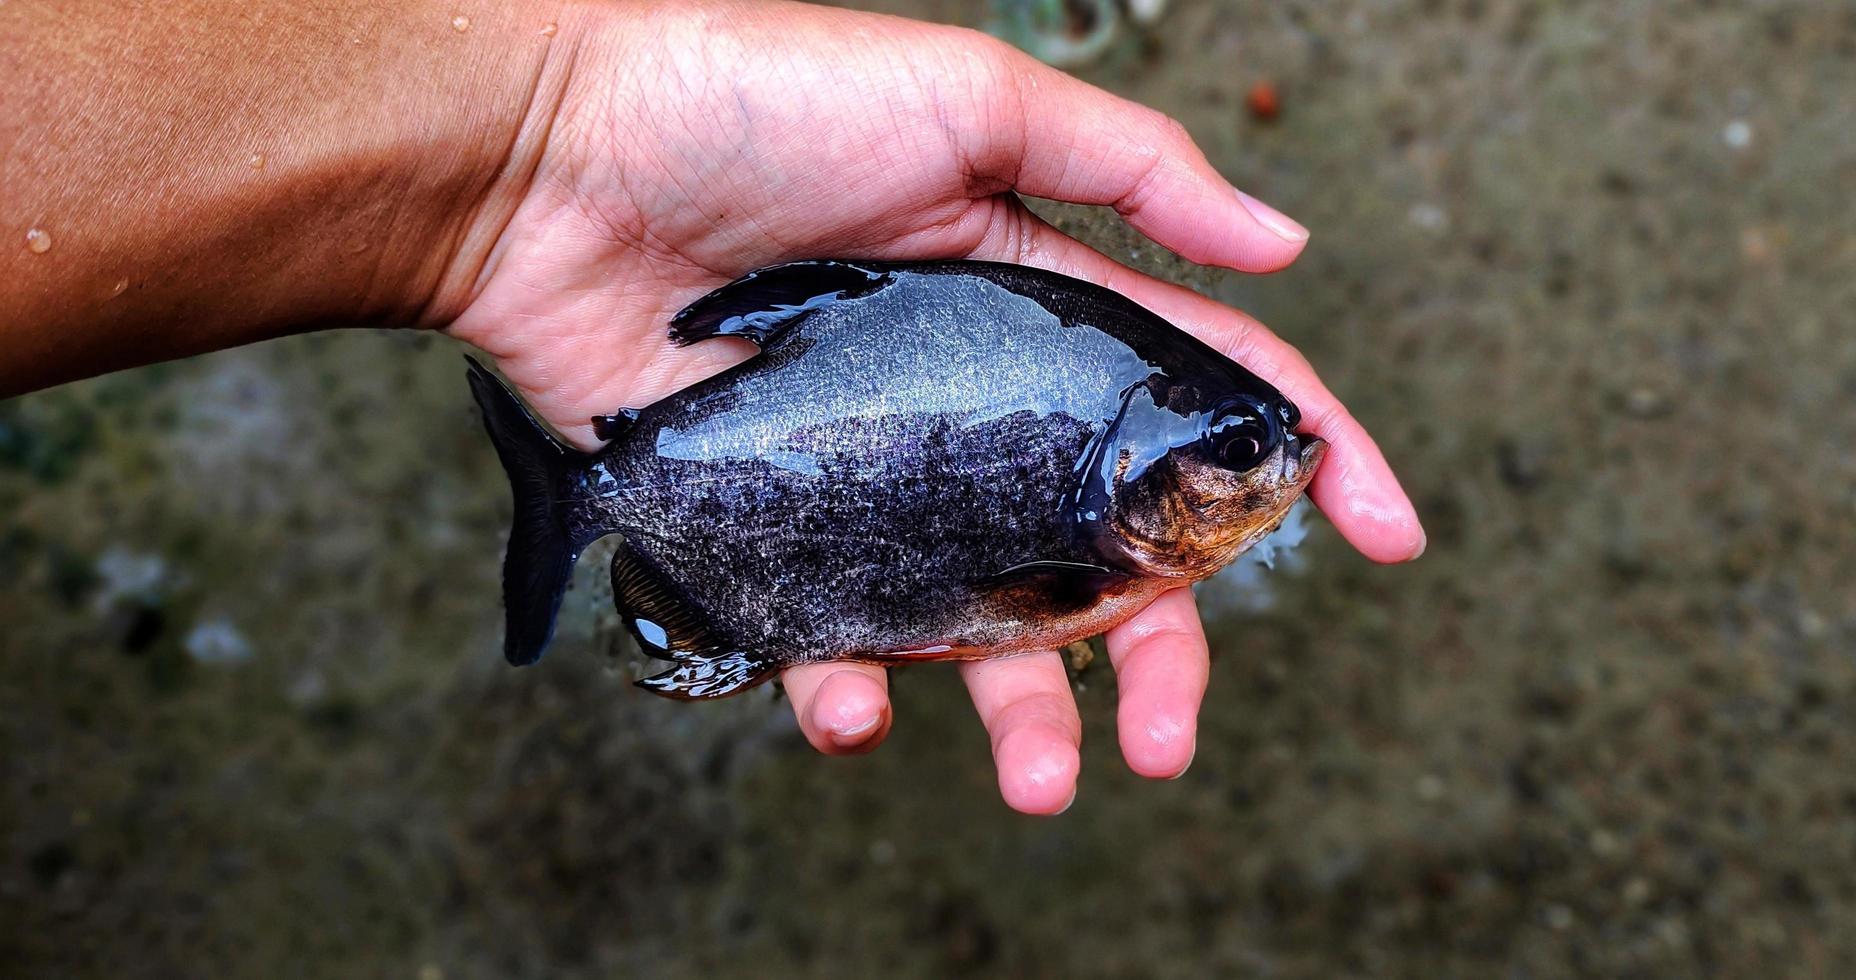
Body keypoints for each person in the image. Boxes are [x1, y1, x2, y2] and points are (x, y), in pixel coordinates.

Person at [2, 0, 1424, 814]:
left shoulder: (1102, 470)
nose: (1272, 461)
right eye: (1236, 453)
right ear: (1146, 477)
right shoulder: (1087, 542)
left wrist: (533, 141)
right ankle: (593, 514)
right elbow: (1035, 593)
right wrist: (534, 139)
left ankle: (605, 518)